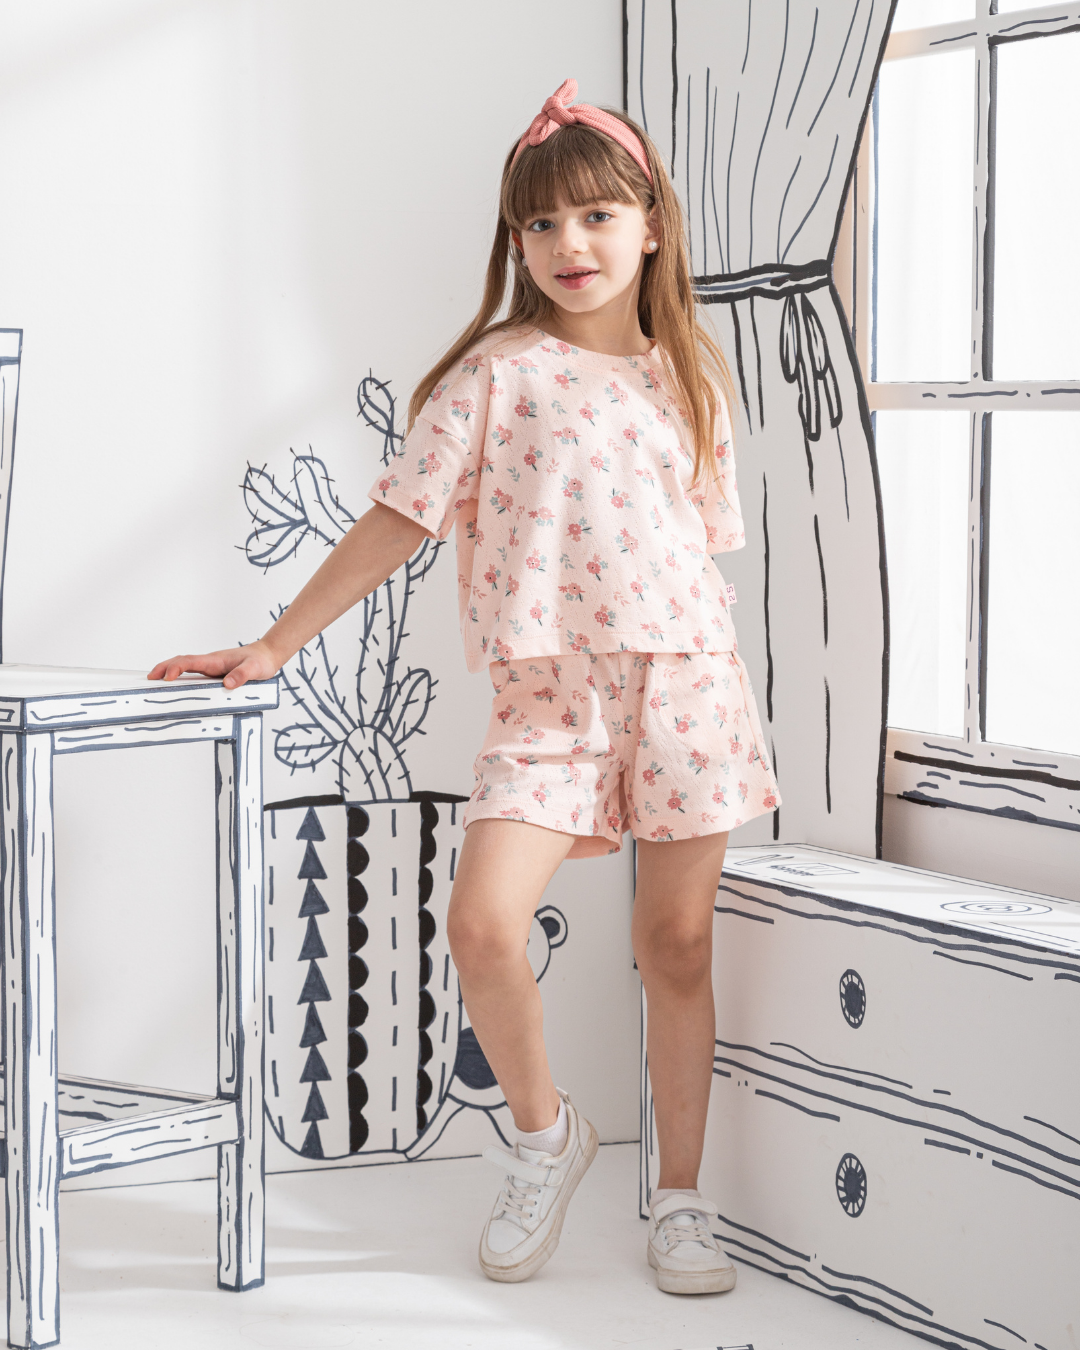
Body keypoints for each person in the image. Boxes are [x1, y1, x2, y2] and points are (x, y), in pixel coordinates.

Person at [150, 77, 780, 1295]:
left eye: (596, 215)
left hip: (689, 684)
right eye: (540, 223)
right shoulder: (497, 374)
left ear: (652, 226)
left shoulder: (691, 379)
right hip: (548, 699)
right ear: (516, 243)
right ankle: (546, 1141)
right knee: (484, 926)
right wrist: (275, 646)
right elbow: (401, 517)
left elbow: (700, 553)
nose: (568, 243)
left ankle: (682, 1200)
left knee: (677, 945)